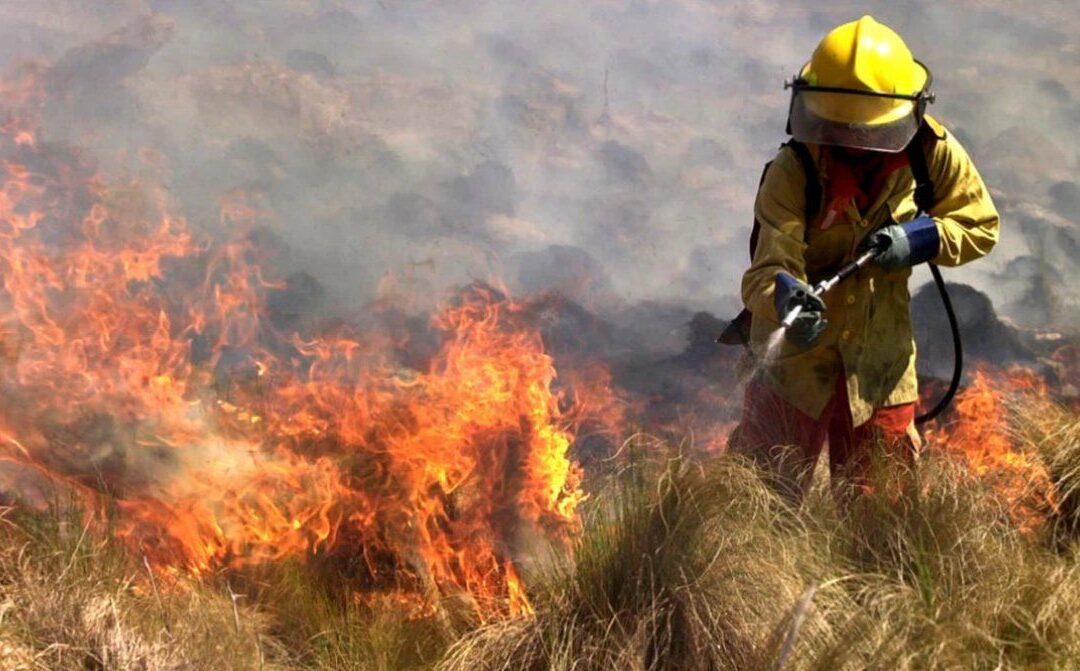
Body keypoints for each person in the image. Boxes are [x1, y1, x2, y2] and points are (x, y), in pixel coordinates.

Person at [731, 15, 999, 502]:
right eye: (838, 127)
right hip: (793, 369)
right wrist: (787, 297)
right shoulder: (795, 170)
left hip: (880, 366)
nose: (851, 141)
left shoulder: (930, 153)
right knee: (762, 499)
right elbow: (765, 271)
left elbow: (979, 225)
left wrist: (921, 239)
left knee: (880, 510)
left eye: (864, 130)